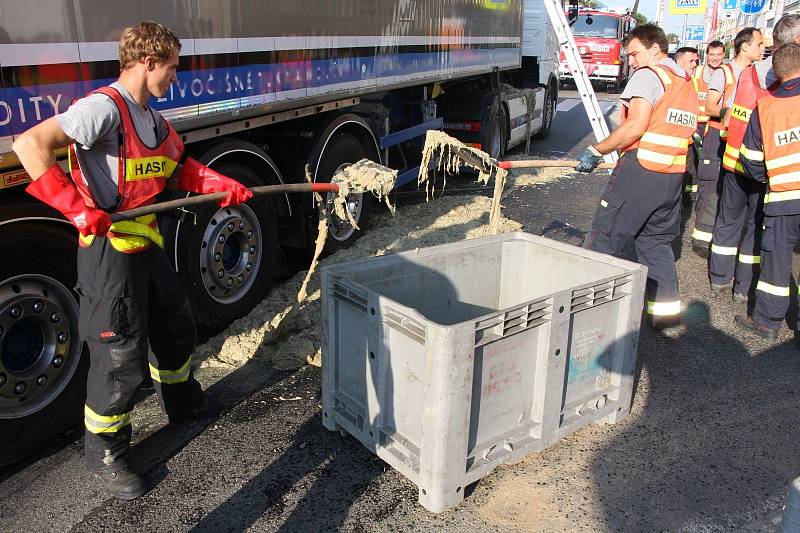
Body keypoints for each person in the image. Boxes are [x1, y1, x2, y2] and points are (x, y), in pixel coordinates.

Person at [11, 21, 253, 499]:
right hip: (108, 250)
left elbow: (178, 168)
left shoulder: (153, 120)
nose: (174, 78)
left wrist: (220, 185)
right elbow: (29, 146)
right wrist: (77, 209)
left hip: (146, 240)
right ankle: (105, 451)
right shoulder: (104, 108)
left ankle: (182, 401)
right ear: (148, 62)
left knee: (174, 324)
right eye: (172, 68)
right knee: (119, 352)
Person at [576, 24, 699, 335]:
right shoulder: (684, 83)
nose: (630, 61)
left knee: (606, 238)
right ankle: (666, 318)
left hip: (640, 173)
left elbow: (635, 127)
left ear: (655, 49)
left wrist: (595, 150)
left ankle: (591, 320)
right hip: (670, 179)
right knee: (656, 245)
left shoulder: (650, 75)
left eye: (634, 53)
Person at [709, 17, 800, 303]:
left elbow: (730, 111)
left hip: (737, 159)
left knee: (728, 221)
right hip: (771, 169)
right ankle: (742, 287)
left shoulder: (748, 73)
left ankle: (719, 279)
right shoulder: (788, 78)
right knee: (755, 226)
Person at [735, 41, 800, 341]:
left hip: (783, 198)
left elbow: (750, 160)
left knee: (776, 261)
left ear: (776, 72)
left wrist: (771, 177)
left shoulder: (766, 107)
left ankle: (767, 321)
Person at [692, 30, 763, 257]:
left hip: (740, 138)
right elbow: (710, 106)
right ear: (745, 47)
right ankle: (702, 239)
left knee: (731, 190)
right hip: (716, 136)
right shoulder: (725, 72)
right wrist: (728, 111)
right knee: (711, 186)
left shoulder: (756, 74)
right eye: (759, 44)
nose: (762, 49)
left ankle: (724, 237)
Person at [674, 46, 701, 207]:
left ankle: (687, 204)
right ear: (678, 61)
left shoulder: (692, 82)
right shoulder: (672, 81)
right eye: (691, 61)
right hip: (671, 144)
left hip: (688, 142)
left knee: (690, 176)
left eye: (696, 61)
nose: (694, 65)